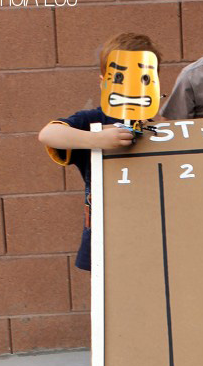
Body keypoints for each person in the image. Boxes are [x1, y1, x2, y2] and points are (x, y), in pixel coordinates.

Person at [38, 32, 161, 271]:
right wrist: (97, 138)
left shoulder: (159, 126)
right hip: (105, 236)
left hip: (150, 236)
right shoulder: (93, 120)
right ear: (104, 81)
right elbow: (48, 134)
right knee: (109, 304)